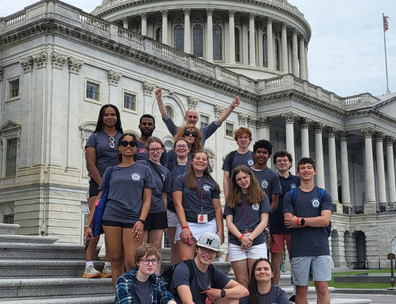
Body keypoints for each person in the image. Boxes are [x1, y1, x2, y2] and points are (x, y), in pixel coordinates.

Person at [84, 133, 155, 287]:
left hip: (133, 219)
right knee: (115, 259)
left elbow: (147, 200)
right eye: (124, 143)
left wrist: (141, 220)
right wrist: (88, 224)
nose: (128, 146)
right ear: (119, 147)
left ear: (136, 148)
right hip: (111, 217)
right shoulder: (111, 170)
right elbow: (99, 199)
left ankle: (135, 293)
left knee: (131, 261)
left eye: (131, 143)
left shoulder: (144, 170)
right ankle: (120, 295)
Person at [283, 157, 332, 304]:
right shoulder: (291, 195)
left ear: (314, 171)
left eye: (309, 167)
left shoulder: (323, 194)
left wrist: (300, 220)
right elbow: (288, 222)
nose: (306, 170)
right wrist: (314, 221)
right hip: (299, 249)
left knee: (322, 287)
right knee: (301, 289)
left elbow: (325, 220)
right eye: (303, 168)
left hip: (320, 248)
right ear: (298, 173)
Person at [83, 104, 123, 278]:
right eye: (106, 115)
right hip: (97, 185)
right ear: (101, 117)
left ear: (117, 117)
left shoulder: (123, 137)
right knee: (95, 224)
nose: (109, 117)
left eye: (112, 114)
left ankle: (108, 266)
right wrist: (103, 185)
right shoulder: (94, 137)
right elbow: (91, 165)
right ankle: (89, 265)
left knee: (112, 225)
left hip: (119, 187)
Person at [224, 165, 270, 288]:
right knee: (242, 281)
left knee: (255, 280)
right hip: (236, 242)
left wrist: (249, 239)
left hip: (257, 241)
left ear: (250, 176)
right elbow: (229, 222)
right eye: (239, 179)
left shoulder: (262, 196)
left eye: (244, 177)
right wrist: (241, 238)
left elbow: (264, 222)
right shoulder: (231, 198)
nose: (243, 181)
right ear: (235, 182)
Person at [172, 150, 224, 261]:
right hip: (188, 223)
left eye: (204, 159)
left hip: (209, 224)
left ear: (207, 163)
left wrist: (220, 231)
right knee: (187, 260)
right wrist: (185, 227)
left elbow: (217, 208)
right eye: (198, 158)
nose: (201, 161)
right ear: (191, 161)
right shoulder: (181, 180)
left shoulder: (212, 183)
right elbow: (177, 204)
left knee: (205, 260)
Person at [170, 232, 249, 304]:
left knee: (232, 299)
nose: (207, 254)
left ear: (216, 254)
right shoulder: (184, 268)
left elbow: (244, 291)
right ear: (197, 249)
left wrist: (221, 293)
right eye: (204, 249)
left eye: (211, 251)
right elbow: (187, 302)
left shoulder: (212, 271)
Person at [155, 87, 240, 147]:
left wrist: (231, 107)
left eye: (195, 117)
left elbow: (218, 121)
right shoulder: (177, 131)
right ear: (185, 118)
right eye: (190, 117)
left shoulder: (203, 132)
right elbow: (166, 117)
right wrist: (159, 99)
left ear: (197, 120)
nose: (192, 119)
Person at [142, 137, 171, 275]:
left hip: (158, 210)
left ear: (162, 150)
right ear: (147, 150)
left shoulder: (165, 172)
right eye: (152, 149)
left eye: (158, 149)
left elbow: (164, 195)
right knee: (142, 246)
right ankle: (141, 274)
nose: (155, 152)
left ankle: (156, 276)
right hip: (143, 210)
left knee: (156, 246)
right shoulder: (141, 165)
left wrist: (164, 214)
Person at [271, 150, 300, 287]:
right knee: (275, 258)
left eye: (285, 160)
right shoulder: (272, 179)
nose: (282, 163)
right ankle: (274, 288)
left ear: (290, 164)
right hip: (275, 224)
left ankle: (297, 289)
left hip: (292, 225)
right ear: (275, 165)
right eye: (279, 161)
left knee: (295, 258)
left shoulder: (297, 181)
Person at [166, 138, 191, 265]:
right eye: (178, 146)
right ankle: (175, 273)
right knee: (174, 246)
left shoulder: (193, 167)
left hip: (190, 212)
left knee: (191, 245)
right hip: (172, 210)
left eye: (184, 146)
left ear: (189, 149)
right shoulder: (169, 166)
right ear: (174, 149)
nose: (181, 148)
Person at [222, 127, 254, 199]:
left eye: (245, 137)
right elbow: (226, 178)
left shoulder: (254, 156)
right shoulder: (230, 156)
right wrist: (227, 197)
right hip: (235, 193)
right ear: (236, 140)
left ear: (250, 140)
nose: (243, 140)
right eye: (240, 137)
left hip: (251, 193)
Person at [250, 140, 281, 212]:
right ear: (254, 154)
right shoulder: (246, 173)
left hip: (264, 219)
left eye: (264, 153)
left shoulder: (273, 175)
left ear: (269, 156)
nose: (261, 155)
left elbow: (274, 202)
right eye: (258, 152)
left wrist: (264, 215)